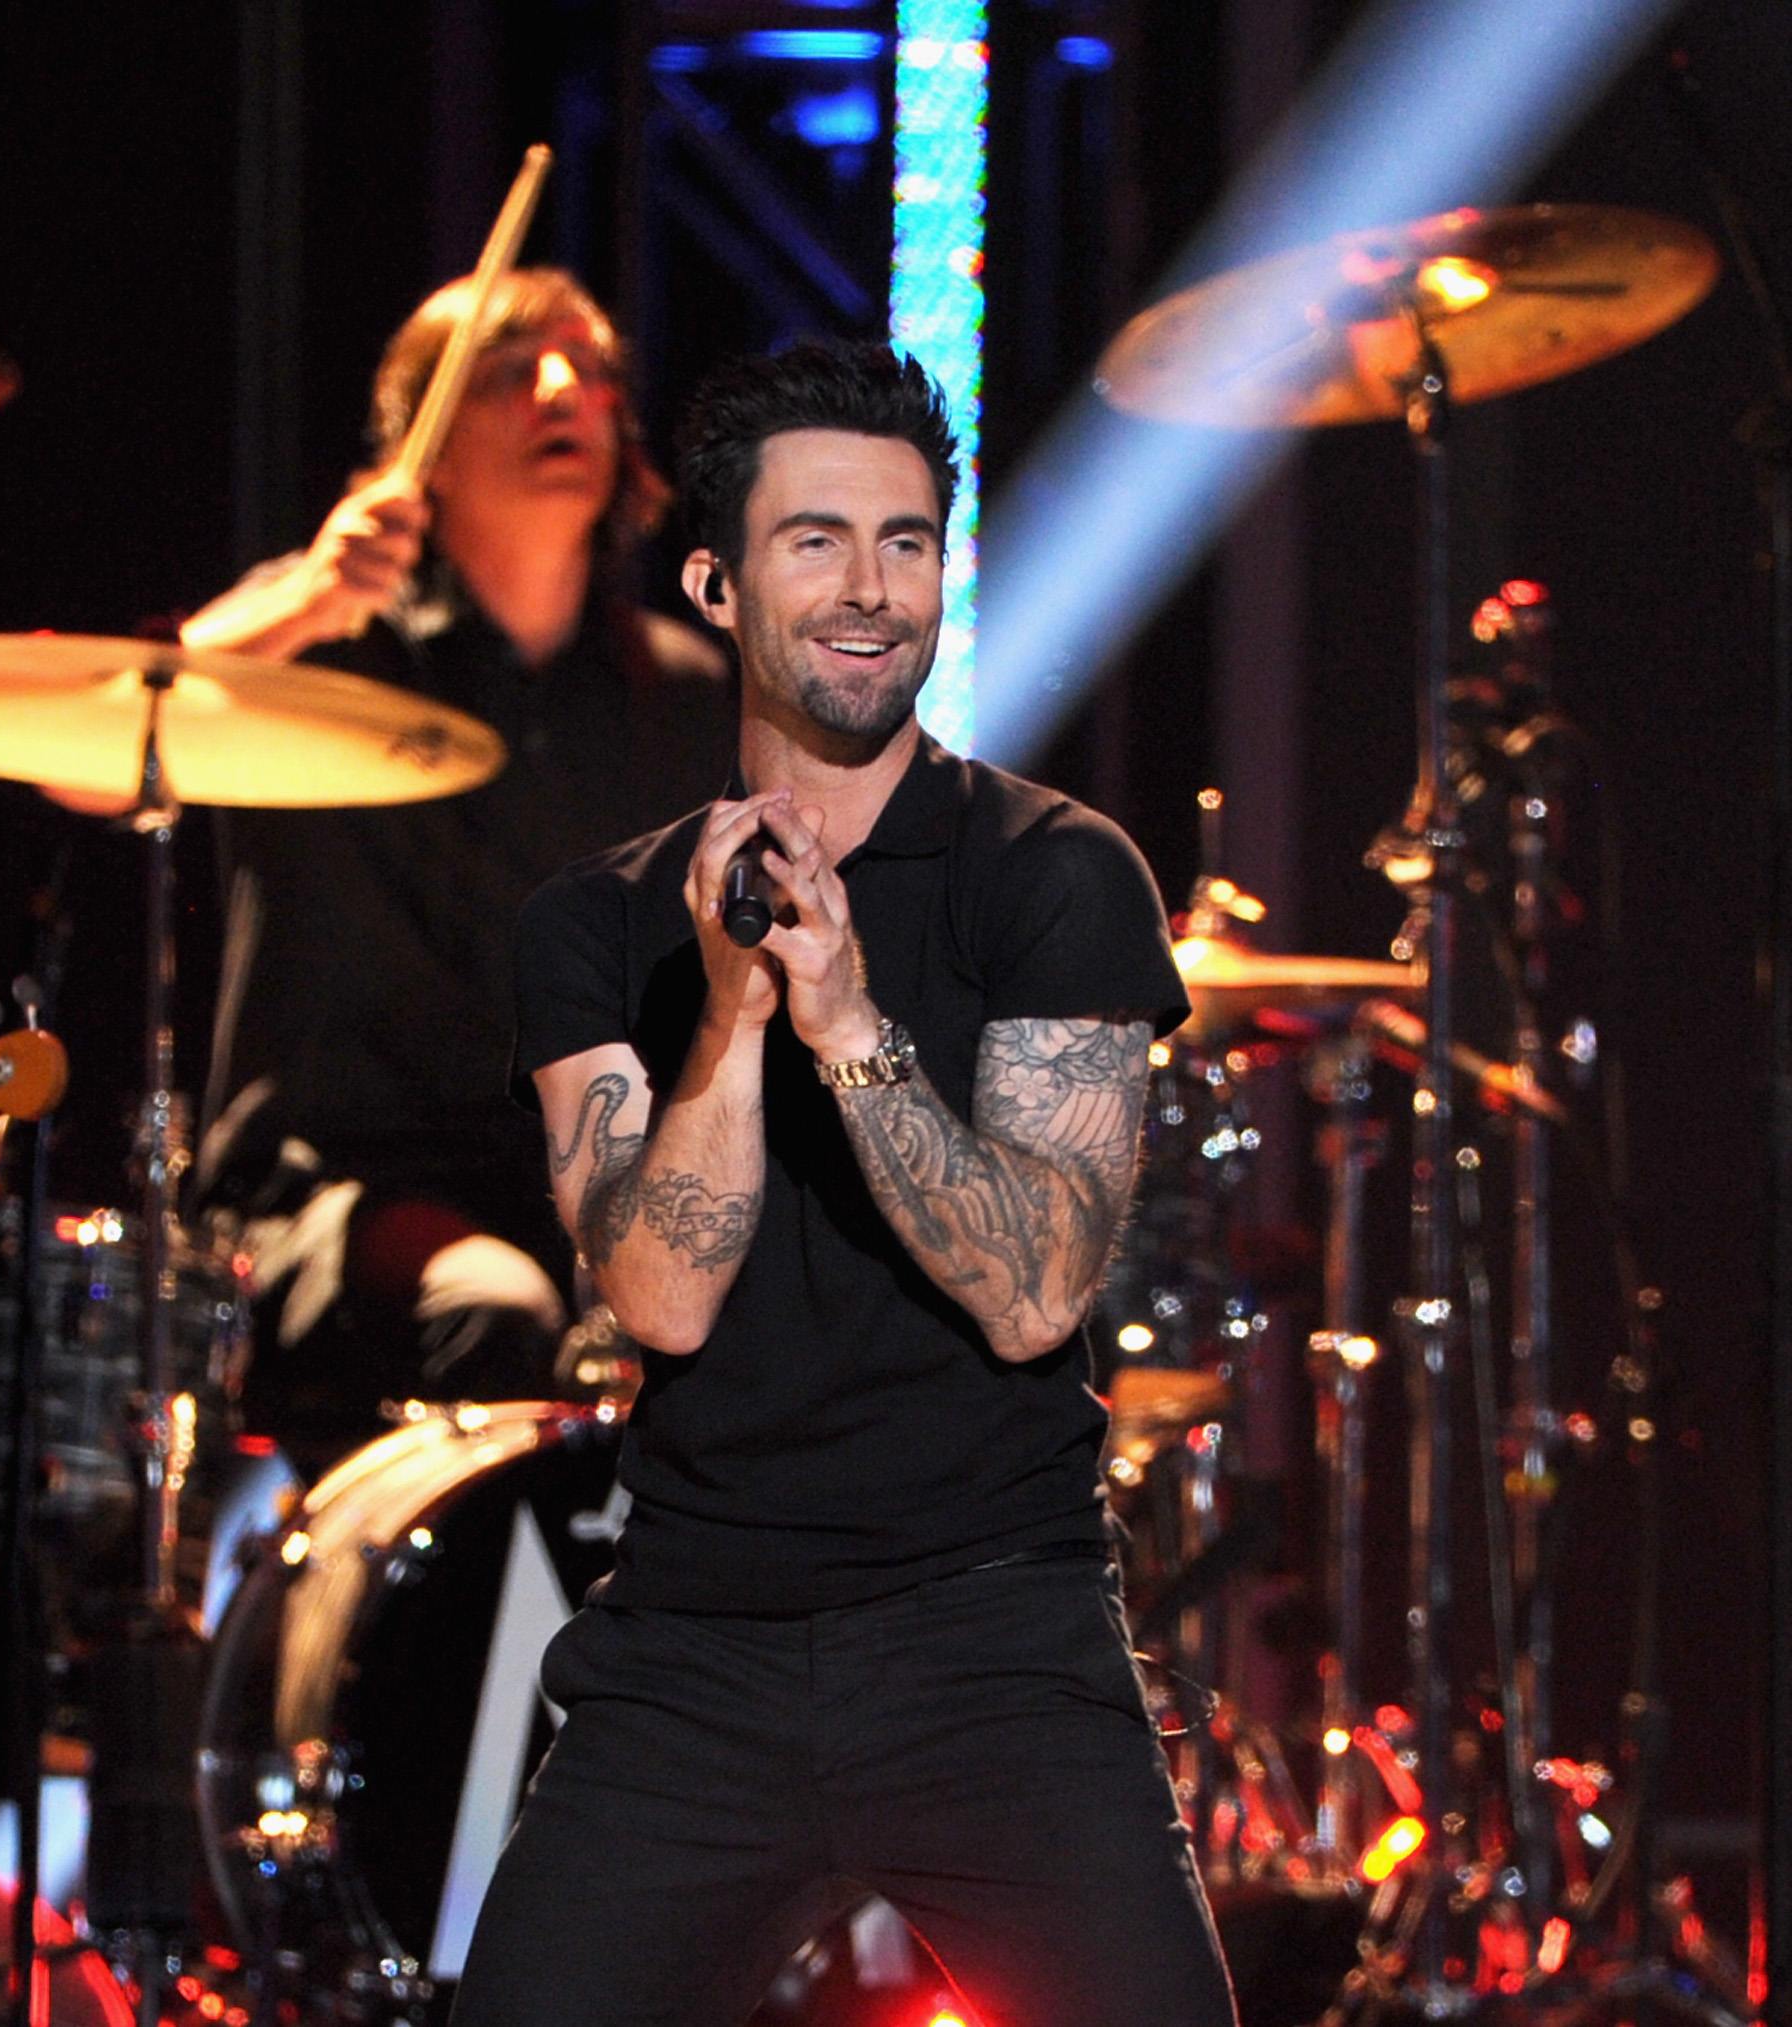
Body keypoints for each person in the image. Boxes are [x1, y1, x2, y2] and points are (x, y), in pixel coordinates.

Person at [459, 343, 1236, 2026]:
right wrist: (735, 1013)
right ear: (715, 581)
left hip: (997, 1635)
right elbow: (656, 1295)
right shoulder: (594, 927)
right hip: (695, 1649)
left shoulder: (1055, 873)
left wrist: (853, 1023)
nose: (872, 589)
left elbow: (1036, 1289)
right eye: (817, 541)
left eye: (907, 541)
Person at [183, 268, 733, 1468]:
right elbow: (102, 753)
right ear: (417, 446)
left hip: (584, 1184)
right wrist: (306, 598)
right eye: (506, 369)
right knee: (498, 1310)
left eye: (590, 369)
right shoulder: (323, 654)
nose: (561, 392)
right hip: (337, 1188)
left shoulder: (689, 704)